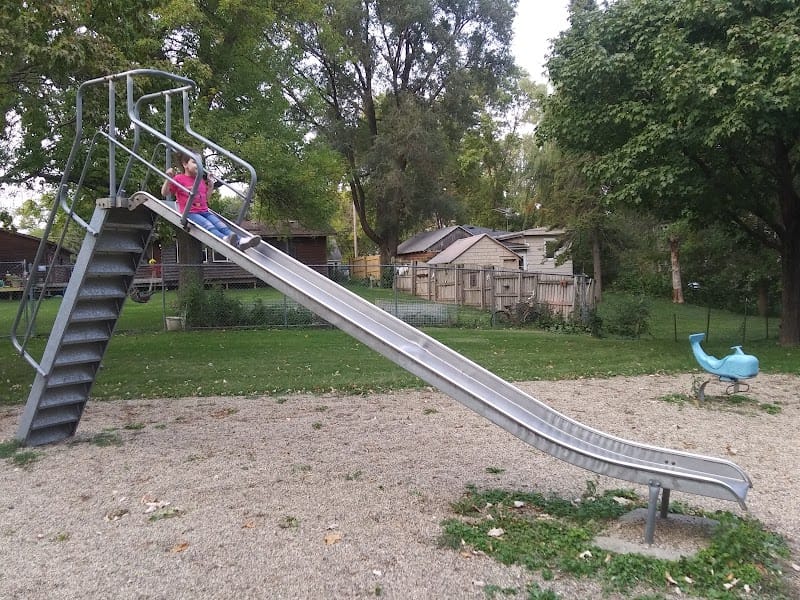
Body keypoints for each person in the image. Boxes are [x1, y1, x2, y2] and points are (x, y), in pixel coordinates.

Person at [161, 151, 261, 250]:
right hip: (191, 213)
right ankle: (224, 239)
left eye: (200, 163)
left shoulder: (199, 180)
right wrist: (168, 179)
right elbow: (164, 193)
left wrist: (211, 186)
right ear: (185, 164)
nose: (199, 165)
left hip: (204, 211)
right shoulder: (179, 178)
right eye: (195, 162)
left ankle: (240, 241)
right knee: (208, 226)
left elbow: (205, 199)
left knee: (222, 226)